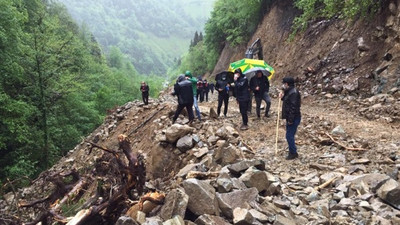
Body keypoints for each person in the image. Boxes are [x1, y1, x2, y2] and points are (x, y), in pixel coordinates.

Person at [279, 77, 301, 160]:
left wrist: (291, 120)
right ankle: (292, 150)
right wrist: (282, 97)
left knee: (289, 135)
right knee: (290, 134)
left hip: (294, 117)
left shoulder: (294, 93)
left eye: (284, 83)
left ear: (287, 84)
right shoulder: (289, 92)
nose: (283, 85)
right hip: (290, 117)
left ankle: (293, 152)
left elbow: (293, 107)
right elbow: (287, 101)